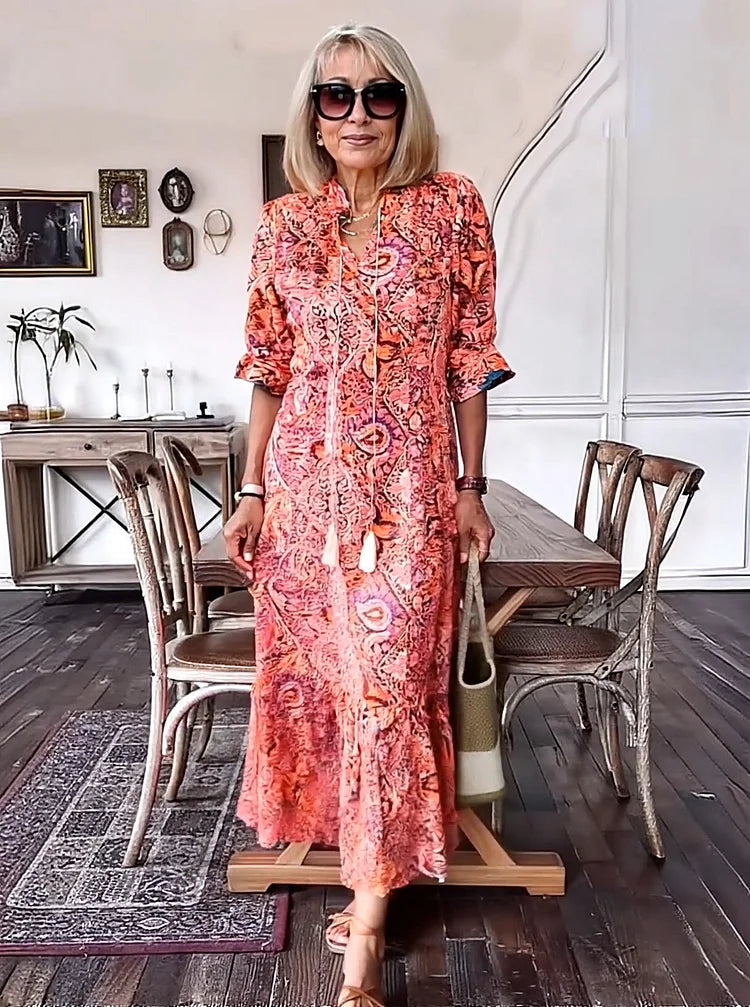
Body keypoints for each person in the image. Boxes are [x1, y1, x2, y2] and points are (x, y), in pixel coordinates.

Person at [223, 23, 514, 1007]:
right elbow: (268, 367)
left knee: (388, 689)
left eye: (379, 94)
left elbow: (469, 360)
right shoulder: (282, 226)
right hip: (303, 503)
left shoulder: (453, 207)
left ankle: (368, 925)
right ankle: (365, 864)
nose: (358, 114)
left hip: (410, 498)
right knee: (329, 692)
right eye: (336, 95)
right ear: (313, 115)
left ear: (405, 108)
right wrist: (251, 489)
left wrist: (472, 485)